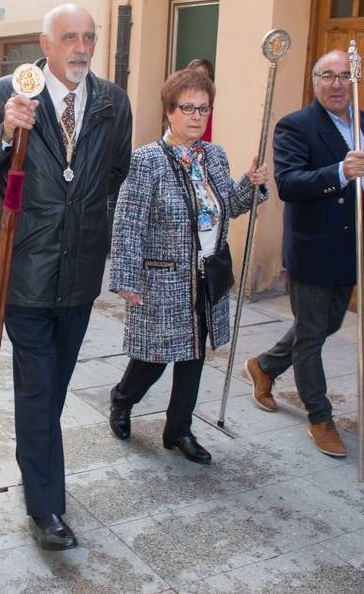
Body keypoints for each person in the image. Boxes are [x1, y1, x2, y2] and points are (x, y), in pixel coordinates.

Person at [0, 3, 132, 551]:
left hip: (78, 273)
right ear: (45, 42)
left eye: (90, 38)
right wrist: (5, 133)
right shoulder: (7, 93)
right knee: (37, 386)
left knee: (51, 390)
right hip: (22, 271)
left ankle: (35, 464)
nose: (81, 48)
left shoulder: (112, 102)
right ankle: (46, 508)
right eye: (70, 38)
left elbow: (115, 172)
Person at [245, 49, 364, 457]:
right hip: (315, 247)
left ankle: (265, 366)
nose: (338, 84)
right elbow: (288, 184)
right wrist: (340, 171)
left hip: (352, 244)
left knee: (325, 325)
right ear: (314, 81)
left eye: (345, 76)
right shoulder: (296, 126)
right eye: (329, 76)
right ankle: (320, 418)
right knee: (311, 337)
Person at [108, 68, 268, 464]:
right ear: (169, 111)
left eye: (204, 108)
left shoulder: (215, 156)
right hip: (162, 278)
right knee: (153, 358)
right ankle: (122, 399)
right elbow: (129, 223)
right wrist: (126, 279)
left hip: (207, 275)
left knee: (194, 355)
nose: (197, 116)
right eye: (188, 108)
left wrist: (250, 183)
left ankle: (178, 429)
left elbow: (228, 205)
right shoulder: (146, 161)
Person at [186, 58, 214, 142]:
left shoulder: (214, 101)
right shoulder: (182, 101)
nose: (196, 79)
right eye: (193, 75)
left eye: (201, 75)